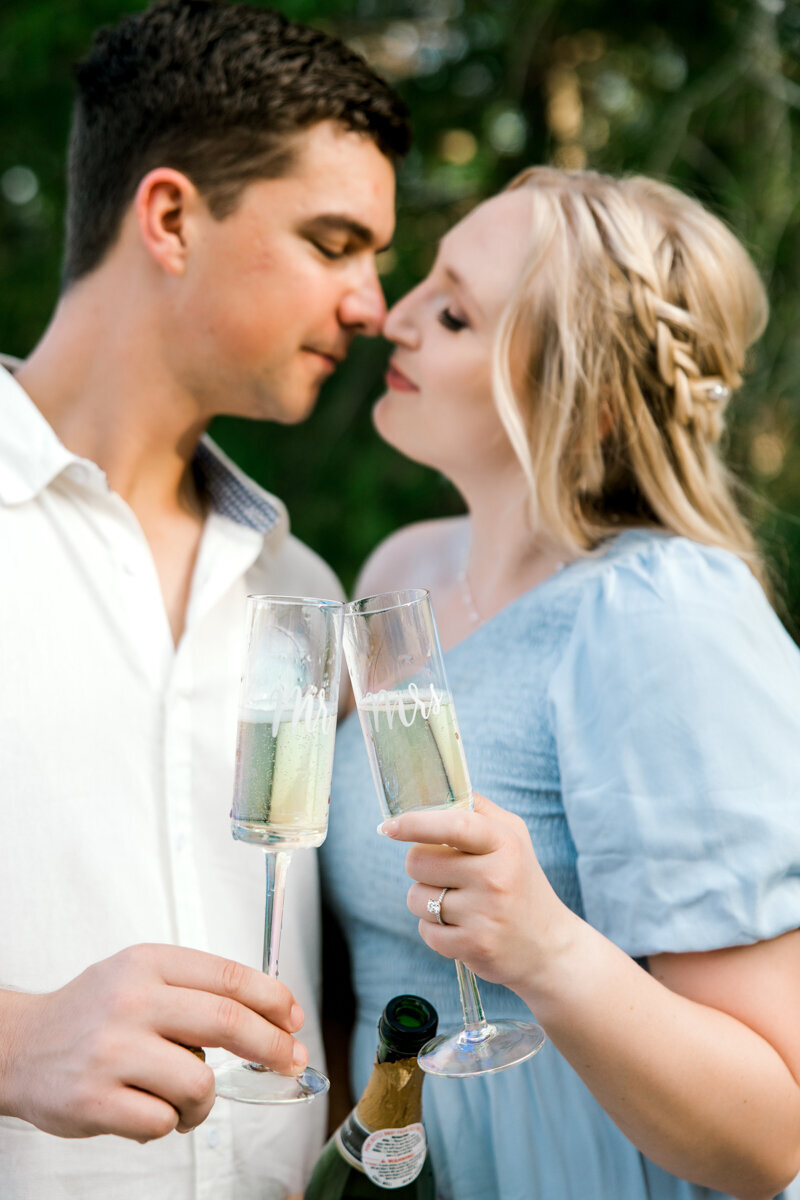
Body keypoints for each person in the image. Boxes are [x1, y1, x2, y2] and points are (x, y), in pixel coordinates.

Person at [321, 167, 800, 1200]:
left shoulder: (662, 615)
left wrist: (544, 948)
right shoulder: (398, 575)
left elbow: (772, 1133)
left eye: (451, 312)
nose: (390, 318)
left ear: (574, 399)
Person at [0, 2, 408, 1197]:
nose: (372, 305)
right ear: (171, 216)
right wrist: (14, 1039)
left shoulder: (302, 591)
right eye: (333, 243)